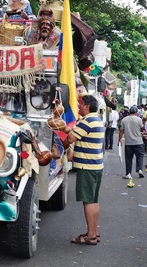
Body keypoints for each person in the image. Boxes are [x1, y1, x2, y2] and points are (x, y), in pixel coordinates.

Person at [63, 95, 103, 245]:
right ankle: (94, 233)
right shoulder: (96, 119)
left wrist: (63, 145)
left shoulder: (87, 121)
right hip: (95, 166)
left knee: (88, 201)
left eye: (80, 104)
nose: (78, 106)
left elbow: (71, 138)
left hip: (87, 167)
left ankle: (91, 236)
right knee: (93, 200)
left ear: (87, 106)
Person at [119, 105, 145, 179]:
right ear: (136, 112)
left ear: (129, 112)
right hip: (139, 141)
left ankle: (128, 174)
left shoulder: (124, 120)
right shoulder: (139, 119)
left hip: (128, 142)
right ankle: (139, 169)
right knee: (139, 156)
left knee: (128, 158)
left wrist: (119, 140)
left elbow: (121, 131)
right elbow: (141, 128)